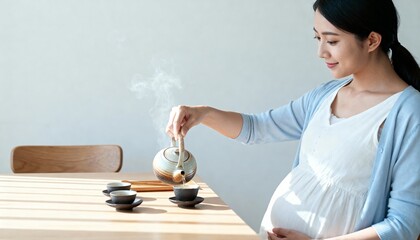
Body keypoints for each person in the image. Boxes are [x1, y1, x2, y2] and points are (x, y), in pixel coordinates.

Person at [166, 0, 420, 239]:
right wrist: (203, 114)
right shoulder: (325, 96)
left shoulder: (409, 114)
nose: (320, 52)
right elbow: (257, 128)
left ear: (372, 40)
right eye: (317, 38)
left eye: (331, 41)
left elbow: (403, 226)